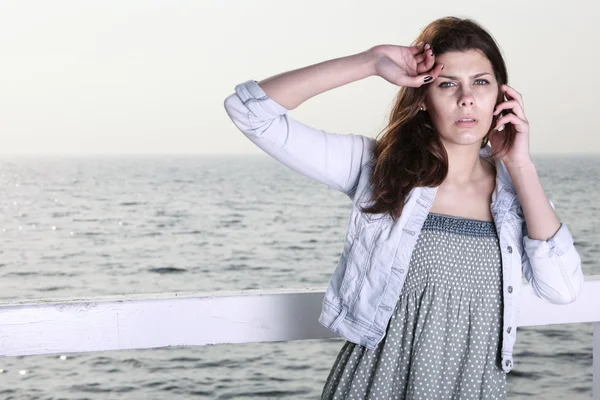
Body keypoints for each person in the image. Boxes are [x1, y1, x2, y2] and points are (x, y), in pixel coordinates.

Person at [223, 16, 584, 400]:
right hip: (374, 386)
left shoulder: (516, 192)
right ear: (423, 98)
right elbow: (249, 112)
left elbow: (562, 289)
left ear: (502, 96)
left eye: (480, 82)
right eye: (448, 84)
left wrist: (521, 164)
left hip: (472, 389)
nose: (466, 98)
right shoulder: (377, 166)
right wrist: (370, 62)